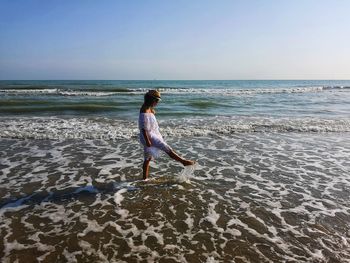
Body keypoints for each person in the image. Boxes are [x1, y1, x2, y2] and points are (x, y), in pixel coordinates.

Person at [139, 90, 195, 180]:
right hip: (149, 136)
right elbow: (143, 127)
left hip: (153, 134)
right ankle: (183, 161)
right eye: (156, 101)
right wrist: (147, 140)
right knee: (165, 147)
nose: (157, 103)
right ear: (151, 100)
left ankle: (144, 179)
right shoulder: (144, 109)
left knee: (147, 158)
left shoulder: (149, 109)